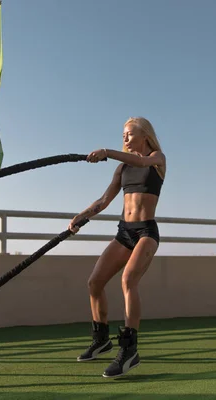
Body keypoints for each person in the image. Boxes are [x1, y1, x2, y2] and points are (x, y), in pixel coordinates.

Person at [67, 116, 166, 378]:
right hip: (125, 232)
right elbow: (104, 199)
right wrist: (81, 216)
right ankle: (101, 339)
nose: (124, 139)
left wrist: (108, 153)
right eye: (123, 134)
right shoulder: (122, 168)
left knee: (128, 280)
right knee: (94, 282)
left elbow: (143, 162)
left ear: (144, 135)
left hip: (146, 231)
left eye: (129, 134)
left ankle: (129, 350)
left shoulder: (157, 158)